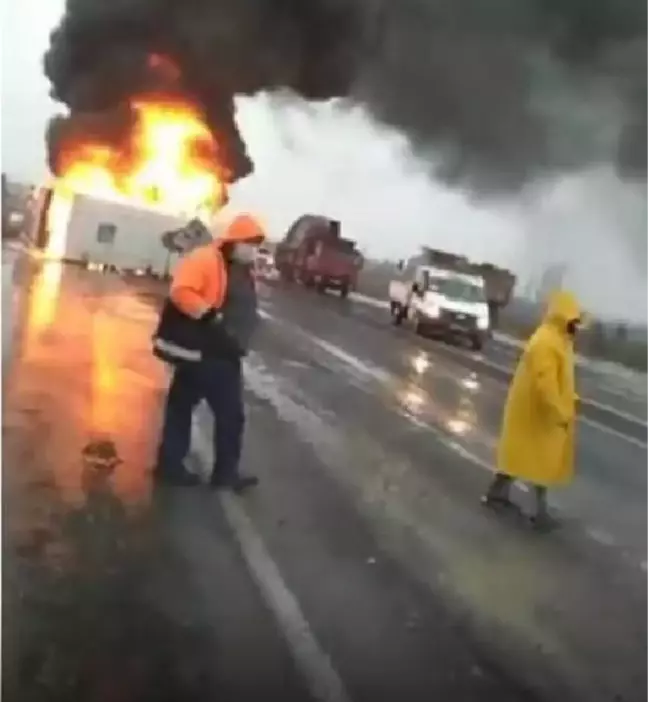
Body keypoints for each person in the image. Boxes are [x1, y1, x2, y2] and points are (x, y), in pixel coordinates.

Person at [152, 213, 265, 490]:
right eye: (249, 243)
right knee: (227, 415)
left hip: (222, 352)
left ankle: (173, 466)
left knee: (186, 408)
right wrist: (209, 317)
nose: (254, 250)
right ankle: (221, 474)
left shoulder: (242, 268)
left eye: (256, 245)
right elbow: (182, 291)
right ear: (234, 242)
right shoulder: (206, 259)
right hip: (209, 353)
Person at [482, 290, 583, 530]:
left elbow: (561, 379)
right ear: (562, 318)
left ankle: (497, 495)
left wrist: (571, 398)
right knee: (539, 463)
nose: (576, 328)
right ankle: (538, 513)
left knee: (525, 459)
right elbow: (544, 382)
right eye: (574, 322)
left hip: (540, 414)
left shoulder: (558, 341)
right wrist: (559, 410)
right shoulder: (546, 342)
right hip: (537, 414)